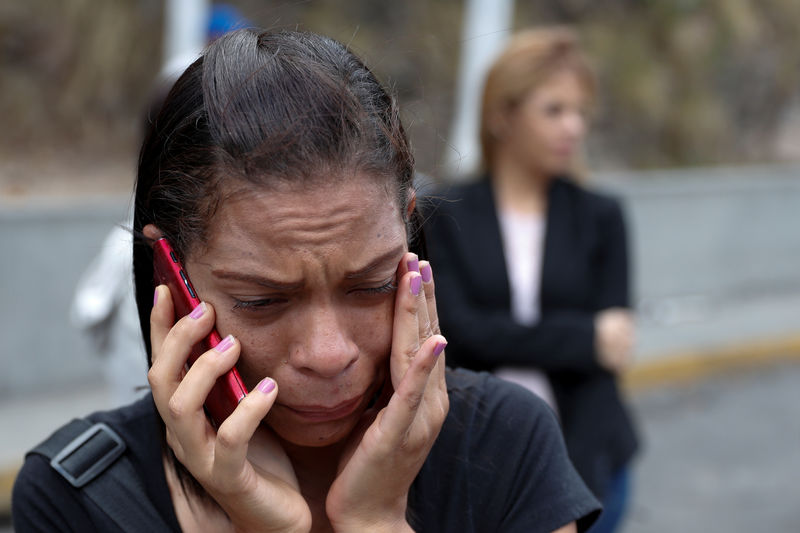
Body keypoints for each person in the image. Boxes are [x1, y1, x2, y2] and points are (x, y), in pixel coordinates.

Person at [12, 29, 600, 532]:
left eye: (370, 284)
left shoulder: (507, 443)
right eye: (262, 299)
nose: (329, 354)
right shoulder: (73, 495)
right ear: (172, 271)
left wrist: (374, 521)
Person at [424, 27, 638, 533]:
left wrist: (506, 333)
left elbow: (617, 347)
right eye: (554, 110)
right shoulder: (443, 214)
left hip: (588, 457)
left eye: (581, 111)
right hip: (474, 455)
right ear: (502, 115)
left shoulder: (601, 216)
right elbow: (454, 333)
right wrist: (584, 338)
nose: (574, 127)